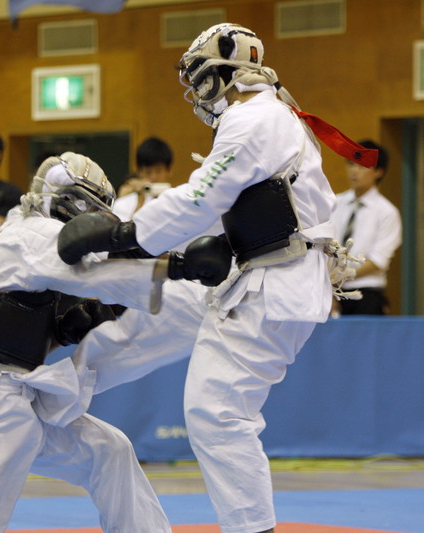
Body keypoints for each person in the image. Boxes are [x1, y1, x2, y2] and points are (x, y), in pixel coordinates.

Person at [56, 23, 376, 533]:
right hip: (257, 279)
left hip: (274, 285)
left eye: (202, 78)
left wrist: (122, 235)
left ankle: (253, 529)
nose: (198, 93)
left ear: (226, 71)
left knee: (217, 412)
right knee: (158, 310)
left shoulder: (257, 119)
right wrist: (132, 271)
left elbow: (200, 198)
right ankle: (57, 394)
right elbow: (207, 212)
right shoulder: (265, 120)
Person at [0, 152, 230, 533]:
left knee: (108, 451)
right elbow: (94, 273)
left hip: (21, 395)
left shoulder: (32, 241)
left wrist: (67, 327)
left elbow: (58, 294)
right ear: (63, 198)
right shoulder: (27, 234)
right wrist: (178, 267)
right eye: (88, 207)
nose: (90, 218)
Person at [330, 139, 402, 315]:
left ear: (378, 172)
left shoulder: (387, 212)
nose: (354, 171)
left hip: (365, 294)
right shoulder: (334, 203)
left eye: (362, 166)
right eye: (351, 164)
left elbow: (378, 260)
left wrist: (341, 276)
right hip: (329, 290)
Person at [113, 137, 174, 221]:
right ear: (139, 172)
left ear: (169, 170)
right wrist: (140, 204)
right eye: (148, 172)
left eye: (159, 171)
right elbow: (123, 233)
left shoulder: (177, 200)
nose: (154, 177)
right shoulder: (122, 204)